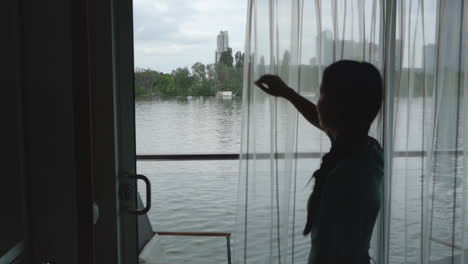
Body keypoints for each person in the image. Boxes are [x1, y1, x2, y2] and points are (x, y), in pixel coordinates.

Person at [255, 60, 383, 264]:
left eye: (322, 94)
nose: (318, 101)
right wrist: (287, 92)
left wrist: (287, 93)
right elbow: (323, 120)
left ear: (339, 107)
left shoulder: (345, 177)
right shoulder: (368, 149)